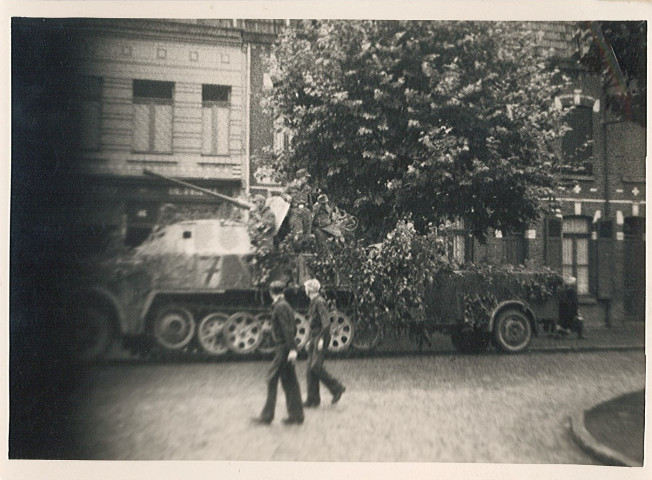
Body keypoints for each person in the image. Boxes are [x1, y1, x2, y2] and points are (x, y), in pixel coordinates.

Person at [252, 281, 304, 425]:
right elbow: (292, 328)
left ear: (270, 292)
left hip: (283, 349)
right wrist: (292, 348)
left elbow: (287, 330)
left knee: (271, 379)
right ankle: (296, 416)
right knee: (290, 382)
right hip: (286, 347)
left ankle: (267, 416)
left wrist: (292, 349)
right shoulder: (285, 305)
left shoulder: (280, 307)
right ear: (283, 291)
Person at [303, 278, 346, 407]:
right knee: (310, 369)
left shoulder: (319, 302)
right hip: (314, 337)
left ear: (310, 289)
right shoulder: (314, 302)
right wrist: (310, 340)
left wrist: (321, 340)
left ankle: (337, 388)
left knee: (315, 366)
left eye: (306, 288)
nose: (305, 290)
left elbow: (326, 323)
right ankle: (313, 399)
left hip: (320, 338)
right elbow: (313, 324)